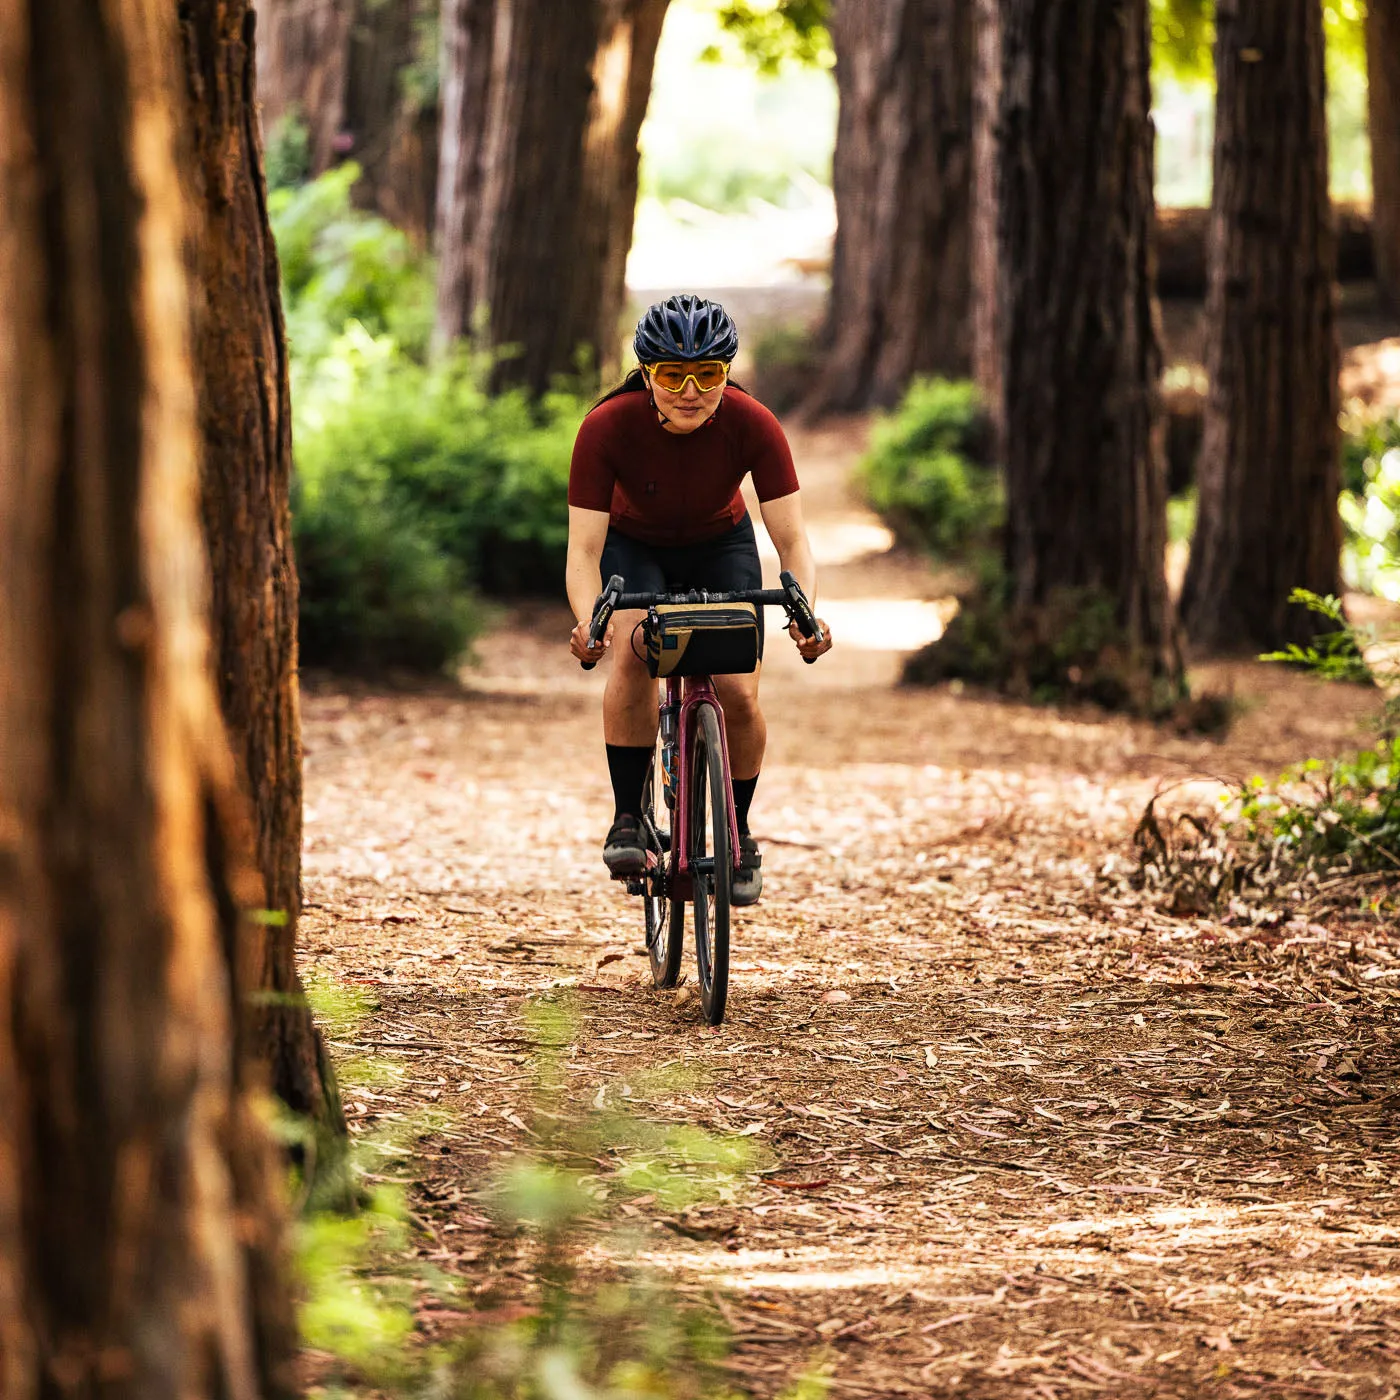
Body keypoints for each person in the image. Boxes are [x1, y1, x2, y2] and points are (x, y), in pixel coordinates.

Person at [566, 294, 833, 907]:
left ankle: (736, 832)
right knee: (634, 652)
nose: (691, 391)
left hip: (721, 542)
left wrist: (806, 613)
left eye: (708, 375)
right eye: (672, 376)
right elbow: (584, 552)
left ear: (727, 373)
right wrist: (589, 623)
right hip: (636, 547)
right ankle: (628, 817)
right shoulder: (607, 425)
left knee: (739, 689)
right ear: (646, 375)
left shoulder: (752, 422)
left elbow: (792, 539)